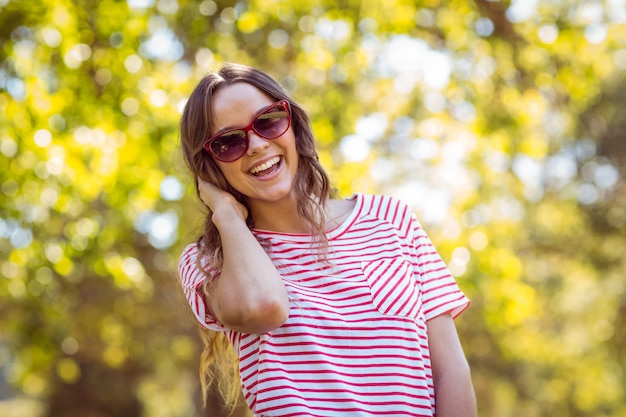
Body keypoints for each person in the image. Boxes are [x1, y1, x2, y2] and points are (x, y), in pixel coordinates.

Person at [177, 62, 477, 417]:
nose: (257, 145)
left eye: (268, 121)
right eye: (229, 142)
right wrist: (226, 215)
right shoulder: (208, 259)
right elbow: (263, 307)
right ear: (210, 166)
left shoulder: (392, 220)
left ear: (293, 124)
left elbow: (452, 371)